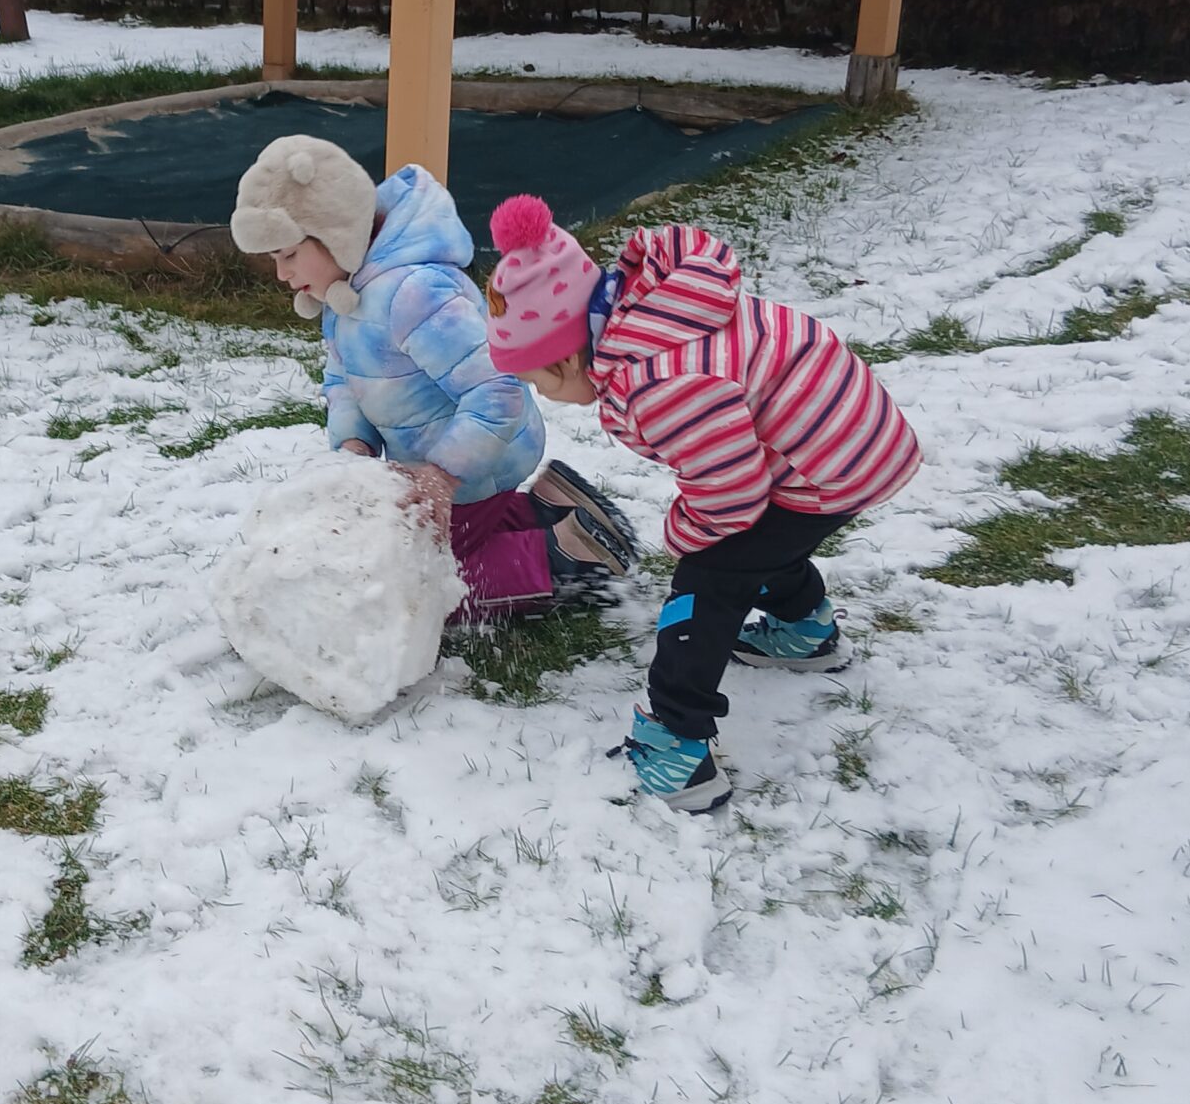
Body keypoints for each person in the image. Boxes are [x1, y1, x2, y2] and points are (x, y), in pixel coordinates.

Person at [483, 194, 921, 813]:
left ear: (567, 357)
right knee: (763, 543)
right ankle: (804, 631)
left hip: (829, 463)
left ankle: (677, 746)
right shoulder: (658, 317)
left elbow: (732, 496)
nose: (541, 393)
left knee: (709, 577)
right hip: (851, 439)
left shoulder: (658, 380)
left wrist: (684, 534)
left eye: (536, 380)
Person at [229, 136, 636, 618]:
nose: (281, 274)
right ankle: (550, 511)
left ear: (334, 233)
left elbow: (497, 388)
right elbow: (343, 380)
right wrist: (354, 445)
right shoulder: (344, 293)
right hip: (437, 464)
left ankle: (566, 559)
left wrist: (443, 475)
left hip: (478, 461)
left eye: (289, 254)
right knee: (413, 549)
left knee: (419, 584)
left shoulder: (415, 293)